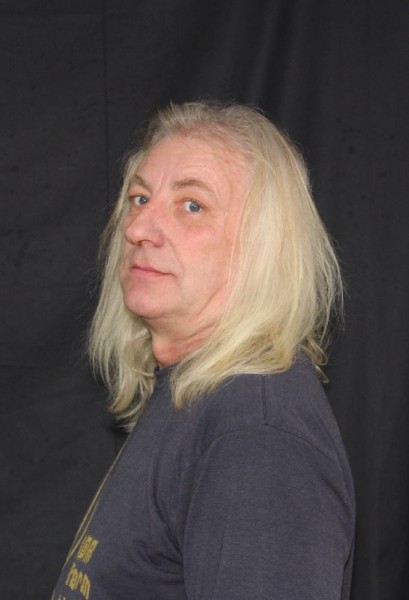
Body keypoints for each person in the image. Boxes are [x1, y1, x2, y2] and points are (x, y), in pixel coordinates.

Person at [52, 101, 355, 600]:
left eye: (192, 205)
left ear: (264, 246)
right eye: (140, 198)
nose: (137, 229)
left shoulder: (257, 439)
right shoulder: (197, 394)